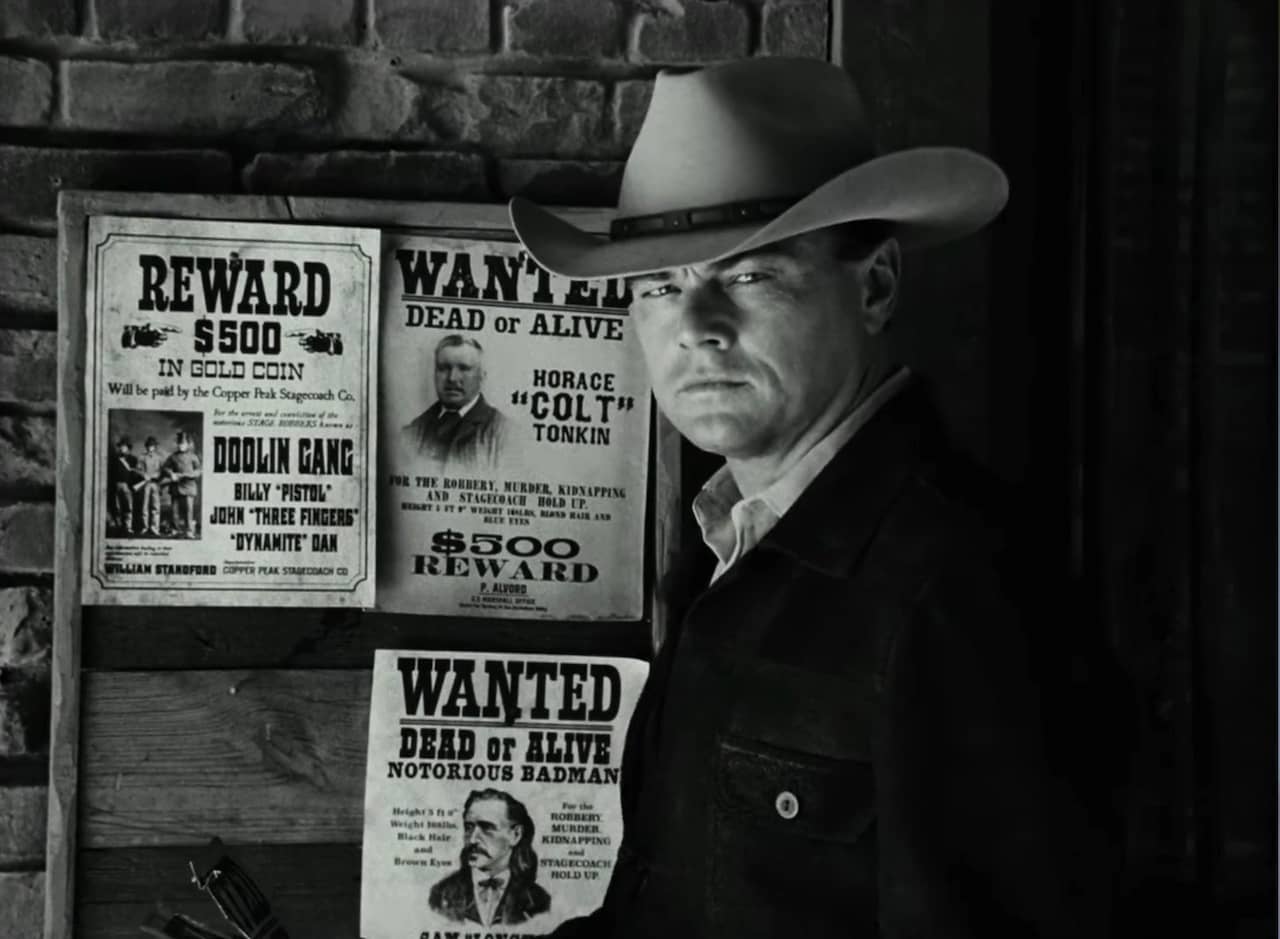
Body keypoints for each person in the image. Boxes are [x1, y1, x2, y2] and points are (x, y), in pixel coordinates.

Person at [509, 58, 1129, 938]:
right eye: (658, 287)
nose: (695, 328)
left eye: (749, 276)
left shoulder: (956, 587)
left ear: (874, 285)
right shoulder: (733, 539)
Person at [428, 789, 552, 927]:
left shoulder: (539, 901)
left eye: (487, 827)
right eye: (469, 827)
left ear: (516, 835)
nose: (473, 839)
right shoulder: (440, 894)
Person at [402, 335, 508, 469]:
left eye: (464, 368)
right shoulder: (411, 433)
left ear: (482, 377)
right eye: (443, 368)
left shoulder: (503, 435)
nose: (452, 378)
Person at [162, 430, 201, 538]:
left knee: (189, 510)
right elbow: (165, 467)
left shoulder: (193, 456)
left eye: (183, 444)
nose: (181, 446)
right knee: (174, 510)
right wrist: (171, 474)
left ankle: (189, 531)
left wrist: (188, 475)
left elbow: (198, 471)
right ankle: (175, 529)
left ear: (188, 445)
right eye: (179, 444)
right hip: (175, 487)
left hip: (189, 486)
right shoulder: (172, 457)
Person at [108, 436, 141, 535]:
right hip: (116, 485)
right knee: (117, 507)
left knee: (128, 507)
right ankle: (119, 526)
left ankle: (128, 527)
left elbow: (136, 474)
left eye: (124, 447)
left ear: (128, 448)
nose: (122, 448)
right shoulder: (115, 459)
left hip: (127, 486)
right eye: (121, 446)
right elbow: (111, 473)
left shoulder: (133, 459)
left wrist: (133, 486)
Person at [136, 435, 166, 536]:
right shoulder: (142, 457)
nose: (150, 447)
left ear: (155, 447)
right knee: (144, 506)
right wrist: (143, 475)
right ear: (146, 446)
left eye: (152, 446)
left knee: (156, 507)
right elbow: (138, 469)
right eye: (149, 446)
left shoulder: (159, 457)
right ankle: (145, 527)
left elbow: (163, 471)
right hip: (145, 484)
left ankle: (155, 528)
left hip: (156, 484)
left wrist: (158, 475)